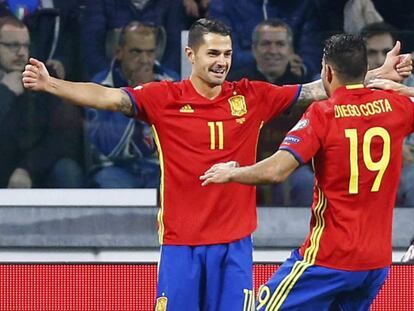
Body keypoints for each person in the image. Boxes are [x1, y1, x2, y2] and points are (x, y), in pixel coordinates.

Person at [22, 18, 411, 310]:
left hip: (235, 246)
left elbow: (321, 88)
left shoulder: (251, 96)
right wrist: (51, 84)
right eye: (213, 54)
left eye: (226, 53)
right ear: (190, 55)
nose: (222, 61)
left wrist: (370, 76)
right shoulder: (163, 97)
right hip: (182, 244)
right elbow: (106, 97)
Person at [200, 33, 414, 310]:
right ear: (364, 70)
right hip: (376, 263)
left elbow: (276, 171)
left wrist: (232, 172)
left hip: (328, 258)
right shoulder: (398, 107)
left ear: (326, 71)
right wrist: (407, 92)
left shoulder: (323, 114)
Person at [228, 18, 314, 206]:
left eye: (280, 44)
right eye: (266, 44)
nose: (273, 51)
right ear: (254, 48)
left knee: (306, 182)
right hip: (243, 166)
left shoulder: (307, 85)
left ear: (290, 50)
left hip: (294, 168)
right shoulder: (235, 84)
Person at [86, 21, 178, 188]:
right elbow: (110, 145)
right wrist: (136, 95)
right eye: (136, 52)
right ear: (119, 52)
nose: (144, 60)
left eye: (150, 52)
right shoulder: (100, 86)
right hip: (114, 170)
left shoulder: (173, 83)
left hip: (159, 170)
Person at [0, 15, 83, 188]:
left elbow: (62, 139)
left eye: (25, 46)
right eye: (13, 45)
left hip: (36, 170)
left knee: (67, 170)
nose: (21, 52)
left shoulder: (43, 79)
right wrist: (5, 94)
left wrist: (27, 169)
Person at [361, 22, 414, 206]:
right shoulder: (347, 88)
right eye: (372, 53)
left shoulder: (411, 85)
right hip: (363, 168)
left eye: (386, 52)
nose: (380, 59)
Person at [208, 0, 324, 78]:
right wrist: (269, 61)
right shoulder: (224, 5)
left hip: (292, 77)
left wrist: (303, 66)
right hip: (244, 78)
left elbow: (312, 46)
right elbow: (223, 53)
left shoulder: (303, 4)